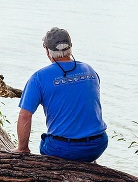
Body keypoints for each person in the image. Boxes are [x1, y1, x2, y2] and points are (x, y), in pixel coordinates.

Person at [17, 27, 107, 162]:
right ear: (71, 47)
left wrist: (22, 148)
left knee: (46, 143)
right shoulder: (90, 71)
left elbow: (25, 116)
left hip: (62, 149)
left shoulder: (39, 78)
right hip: (98, 145)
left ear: (47, 51)